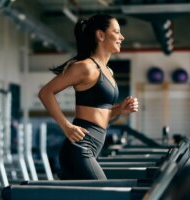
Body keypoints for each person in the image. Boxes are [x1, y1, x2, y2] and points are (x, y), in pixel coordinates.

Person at [38, 13, 139, 180]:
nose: (122, 37)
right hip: (80, 148)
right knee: (105, 193)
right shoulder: (86, 67)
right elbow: (45, 92)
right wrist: (66, 126)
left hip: (93, 147)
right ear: (100, 35)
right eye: (116, 32)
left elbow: (99, 115)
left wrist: (120, 109)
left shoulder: (108, 71)